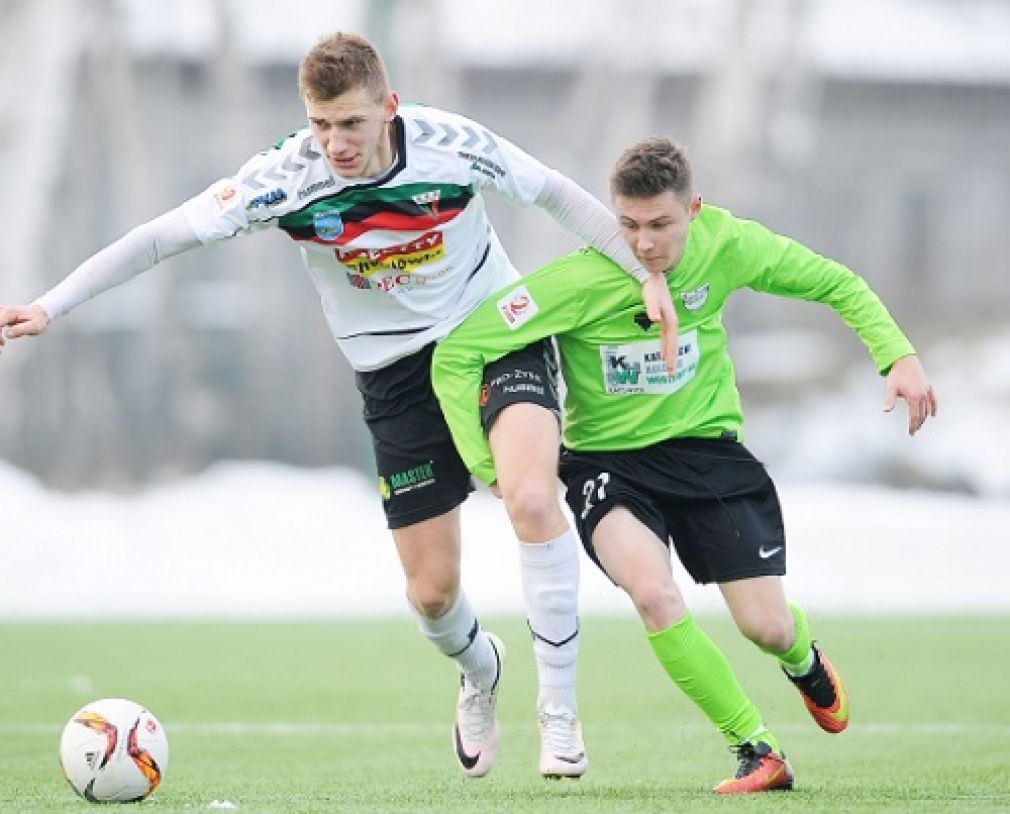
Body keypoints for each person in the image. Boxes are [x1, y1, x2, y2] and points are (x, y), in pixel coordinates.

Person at [0, 34, 681, 780]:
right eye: (322, 126)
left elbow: (552, 191)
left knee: (527, 495)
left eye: (351, 125)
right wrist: (51, 305)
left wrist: (642, 276)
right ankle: (482, 669)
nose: (336, 144)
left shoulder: (452, 146)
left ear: (388, 108)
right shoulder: (285, 179)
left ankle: (559, 715)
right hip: (393, 377)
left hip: (492, 335)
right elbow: (161, 238)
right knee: (431, 594)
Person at [431, 136, 937, 793]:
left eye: (661, 225)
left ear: (693, 210)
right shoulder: (577, 280)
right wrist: (485, 465)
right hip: (608, 468)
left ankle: (801, 655)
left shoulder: (726, 245)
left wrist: (897, 355)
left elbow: (833, 282)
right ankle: (756, 749)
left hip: (707, 454)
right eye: (629, 224)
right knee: (651, 592)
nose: (643, 243)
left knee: (766, 625)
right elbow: (457, 353)